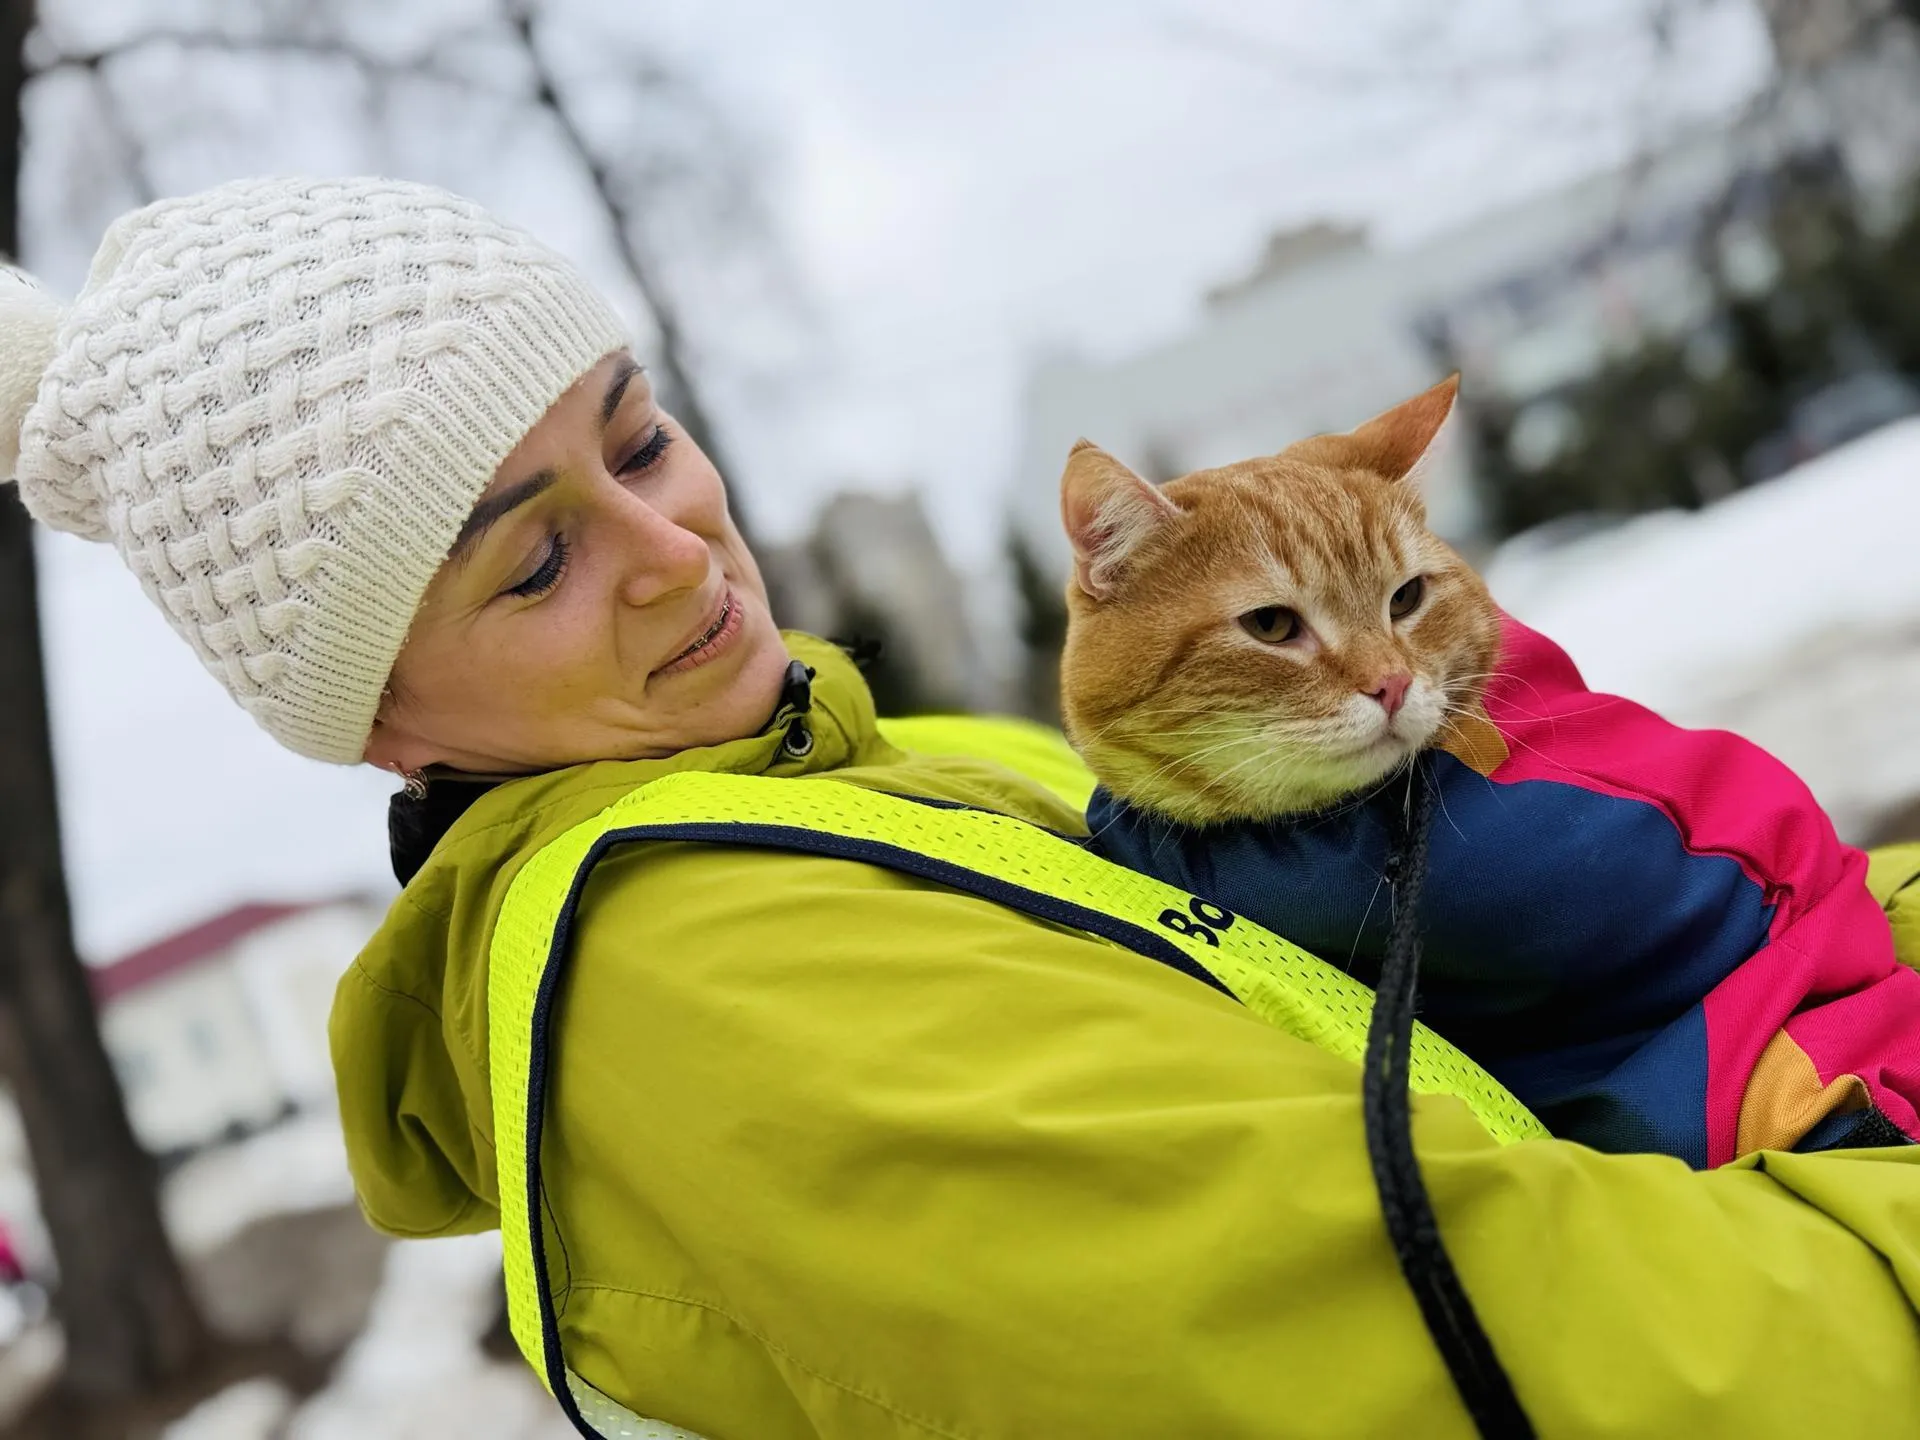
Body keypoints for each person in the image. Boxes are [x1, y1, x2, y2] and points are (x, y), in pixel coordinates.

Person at [7, 175, 1920, 1440]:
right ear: (373, 727)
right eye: (533, 568)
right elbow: (1504, 1359)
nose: (676, 549)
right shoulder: (700, 990)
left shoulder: (895, 777)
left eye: (642, 433)